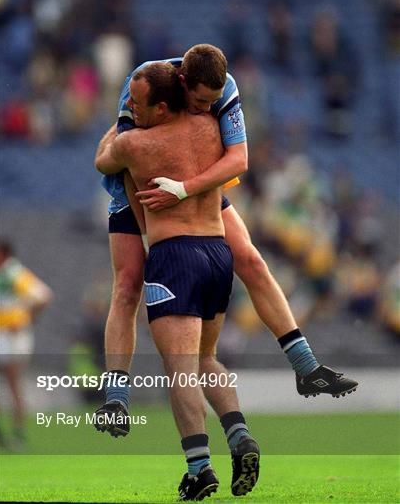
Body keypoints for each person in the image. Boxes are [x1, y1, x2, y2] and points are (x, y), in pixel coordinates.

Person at [94, 44, 358, 432]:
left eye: (213, 102)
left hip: (191, 191)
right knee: (127, 288)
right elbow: (126, 165)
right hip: (136, 196)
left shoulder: (225, 87)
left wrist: (184, 189)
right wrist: (150, 233)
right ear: (182, 83)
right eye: (201, 101)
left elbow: (238, 159)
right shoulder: (144, 86)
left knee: (251, 260)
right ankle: (116, 398)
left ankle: (306, 367)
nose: (207, 108)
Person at [95, 62, 260, 499]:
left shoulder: (134, 142)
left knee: (178, 368)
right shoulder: (211, 130)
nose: (129, 104)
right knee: (206, 359)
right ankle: (239, 434)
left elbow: (101, 159)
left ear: (161, 107)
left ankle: (199, 468)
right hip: (216, 253)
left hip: (172, 254)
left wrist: (121, 121)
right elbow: (236, 160)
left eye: (136, 100)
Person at [0, 239, 53, 448]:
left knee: (13, 383)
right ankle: (0, 432)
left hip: (12, 337)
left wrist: (23, 318)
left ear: (4, 254)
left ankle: (18, 432)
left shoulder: (14, 273)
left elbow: (43, 297)